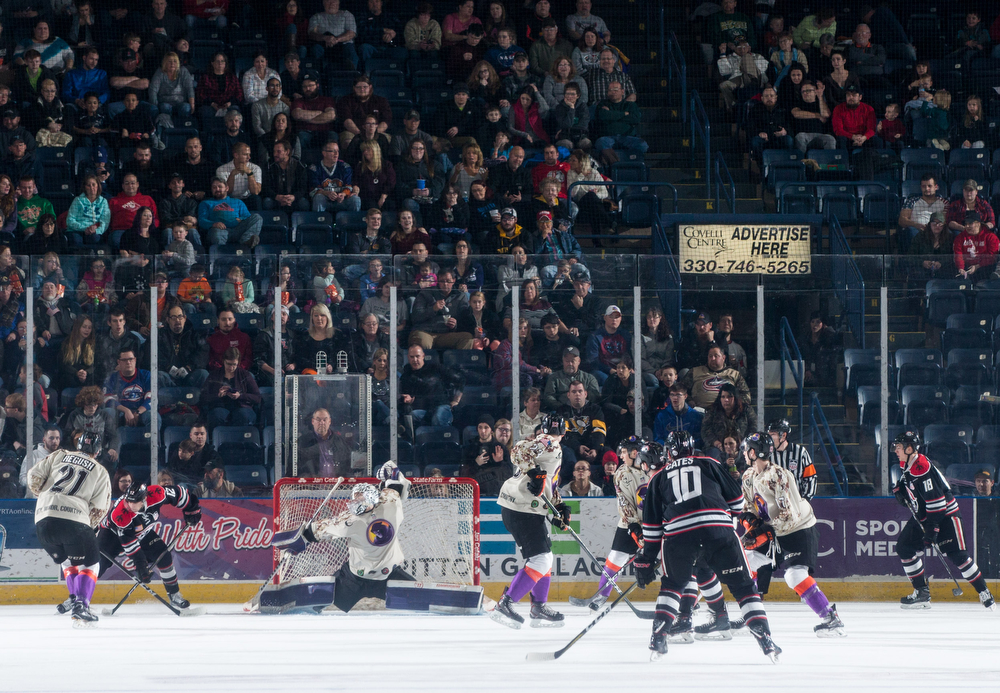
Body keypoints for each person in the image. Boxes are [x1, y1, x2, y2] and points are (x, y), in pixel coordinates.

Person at [739, 432, 845, 635]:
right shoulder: (748, 476)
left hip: (799, 530)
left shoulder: (778, 475)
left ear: (753, 452)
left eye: (746, 450)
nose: (744, 453)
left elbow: (789, 516)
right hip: (774, 530)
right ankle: (752, 615)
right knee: (747, 562)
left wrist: (762, 531)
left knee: (794, 576)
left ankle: (831, 618)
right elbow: (748, 507)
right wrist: (749, 520)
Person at [273, 462, 416, 612]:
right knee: (418, 597)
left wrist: (297, 539)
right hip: (370, 577)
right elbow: (395, 482)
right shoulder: (391, 504)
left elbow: (316, 531)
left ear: (372, 497)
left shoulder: (349, 521)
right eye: (355, 498)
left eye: (360, 497)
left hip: (361, 578)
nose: (356, 501)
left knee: (317, 601)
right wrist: (389, 472)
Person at [891, 431, 995, 610]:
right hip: (925, 516)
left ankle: (984, 591)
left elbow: (937, 502)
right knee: (904, 547)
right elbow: (912, 486)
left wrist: (932, 530)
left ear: (909, 449)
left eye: (899, 447)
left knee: (959, 556)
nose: (896, 450)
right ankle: (922, 593)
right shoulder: (908, 463)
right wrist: (901, 489)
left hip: (946, 516)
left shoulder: (921, 468)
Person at [490, 414, 568, 628]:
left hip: (519, 507)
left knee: (546, 558)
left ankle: (538, 606)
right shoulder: (551, 442)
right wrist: (535, 474)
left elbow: (547, 481)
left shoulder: (544, 444)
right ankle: (505, 604)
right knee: (541, 560)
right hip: (523, 509)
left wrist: (559, 506)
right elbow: (516, 451)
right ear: (564, 432)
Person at [28, 431, 111, 625]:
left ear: (78, 445)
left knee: (67, 562)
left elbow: (33, 476)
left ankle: (75, 598)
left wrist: (45, 497)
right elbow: (99, 509)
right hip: (74, 521)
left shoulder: (60, 455)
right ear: (98, 451)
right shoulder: (100, 471)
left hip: (43, 520)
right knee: (91, 563)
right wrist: (88, 528)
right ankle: (81, 605)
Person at [97, 478, 201, 611]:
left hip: (141, 532)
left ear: (144, 499)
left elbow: (180, 494)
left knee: (164, 556)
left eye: (134, 502)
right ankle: (78, 598)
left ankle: (174, 595)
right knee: (99, 564)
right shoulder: (121, 514)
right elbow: (130, 545)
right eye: (128, 500)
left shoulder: (157, 493)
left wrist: (192, 509)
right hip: (111, 534)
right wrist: (141, 567)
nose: (129, 505)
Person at [583, 436, 648, 608]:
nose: (621, 456)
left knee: (674, 558)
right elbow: (624, 502)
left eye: (625, 452)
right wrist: (634, 527)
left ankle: (687, 597)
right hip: (630, 523)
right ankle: (601, 595)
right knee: (616, 556)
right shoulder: (621, 473)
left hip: (655, 524)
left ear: (635, 453)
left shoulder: (653, 468)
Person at [399, 344, 464, 431]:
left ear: (423, 356)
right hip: (424, 410)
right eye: (412, 357)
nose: (415, 360)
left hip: (441, 405)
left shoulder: (435, 368)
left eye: (417, 356)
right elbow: (405, 395)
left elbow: (460, 379)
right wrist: (407, 398)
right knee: (411, 416)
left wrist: (456, 400)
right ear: (408, 357)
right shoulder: (406, 376)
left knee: (437, 418)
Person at [201, 346, 261, 428]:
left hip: (241, 406)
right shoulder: (214, 375)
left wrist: (240, 396)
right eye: (228, 364)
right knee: (217, 415)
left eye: (234, 365)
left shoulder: (245, 375)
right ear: (223, 361)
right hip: (220, 406)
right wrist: (217, 395)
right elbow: (203, 397)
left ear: (238, 363)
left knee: (243, 416)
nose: (231, 368)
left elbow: (257, 398)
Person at [558, 380, 607, 476]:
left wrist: (595, 449)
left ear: (585, 394)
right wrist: (578, 447)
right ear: (568, 395)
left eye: (580, 391)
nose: (577, 394)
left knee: (608, 454)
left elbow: (599, 430)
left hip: (592, 446)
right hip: (572, 447)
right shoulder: (562, 411)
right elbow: (565, 433)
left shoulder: (595, 409)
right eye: (574, 392)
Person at [197, 177, 263, 247]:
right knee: (215, 233)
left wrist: (241, 219)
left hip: (238, 230)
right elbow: (202, 221)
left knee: (257, 217)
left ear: (227, 188)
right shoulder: (205, 203)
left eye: (220, 186)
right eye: (214, 187)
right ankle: (220, 253)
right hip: (220, 231)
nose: (217, 189)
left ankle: (246, 241)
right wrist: (213, 224)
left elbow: (247, 216)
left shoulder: (238, 202)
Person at [765, 418, 817, 501]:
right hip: (774, 504)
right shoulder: (767, 454)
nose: (769, 438)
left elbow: (811, 478)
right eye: (769, 434)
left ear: (783, 435)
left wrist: (804, 501)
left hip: (796, 503)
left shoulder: (800, 452)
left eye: (773, 434)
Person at [898, 174, 947, 252]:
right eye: (924, 186)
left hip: (936, 230)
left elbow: (945, 220)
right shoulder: (912, 201)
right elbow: (902, 220)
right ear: (921, 187)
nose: (926, 189)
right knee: (910, 231)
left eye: (929, 186)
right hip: (917, 230)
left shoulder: (944, 203)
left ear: (936, 187)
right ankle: (911, 262)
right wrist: (916, 225)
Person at [717, 38, 768, 112]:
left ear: (749, 47)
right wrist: (722, 53)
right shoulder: (730, 57)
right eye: (739, 47)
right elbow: (724, 72)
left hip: (753, 79)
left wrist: (747, 60)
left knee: (746, 57)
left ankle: (751, 85)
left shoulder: (757, 56)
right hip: (738, 80)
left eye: (744, 47)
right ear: (734, 48)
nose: (742, 50)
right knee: (723, 85)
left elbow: (763, 68)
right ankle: (732, 107)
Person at [584, 305, 630, 387]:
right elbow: (593, 361)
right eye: (611, 316)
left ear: (621, 319)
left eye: (616, 317)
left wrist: (628, 369)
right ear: (605, 318)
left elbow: (629, 355)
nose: (614, 320)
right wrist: (610, 370)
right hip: (603, 371)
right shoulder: (595, 336)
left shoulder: (626, 335)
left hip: (623, 369)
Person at [748, 86, 791, 161]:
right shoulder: (755, 109)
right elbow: (750, 126)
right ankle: (762, 167)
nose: (769, 98)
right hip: (763, 138)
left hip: (779, 137)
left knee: (788, 140)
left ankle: (784, 165)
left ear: (776, 97)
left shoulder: (783, 109)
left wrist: (785, 131)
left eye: (771, 96)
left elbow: (790, 124)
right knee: (755, 142)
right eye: (766, 96)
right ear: (762, 98)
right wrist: (759, 133)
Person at [654, 382, 703, 448]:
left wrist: (687, 445)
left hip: (690, 451)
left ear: (685, 396)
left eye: (678, 395)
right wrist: (669, 446)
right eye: (672, 395)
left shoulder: (695, 415)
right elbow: (658, 438)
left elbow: (699, 438)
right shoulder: (661, 415)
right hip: (668, 452)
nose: (675, 398)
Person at [831, 85, 881, 151]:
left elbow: (871, 129)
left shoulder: (868, 109)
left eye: (854, 95)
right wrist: (853, 137)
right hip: (847, 138)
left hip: (864, 138)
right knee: (841, 139)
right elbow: (838, 130)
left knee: (876, 140)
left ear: (860, 97)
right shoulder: (838, 109)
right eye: (848, 95)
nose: (851, 97)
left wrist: (864, 138)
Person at [953, 211, 998, 282]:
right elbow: (958, 254)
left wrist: (978, 266)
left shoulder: (991, 237)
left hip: (985, 267)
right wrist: (961, 268)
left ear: (978, 224)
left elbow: (992, 256)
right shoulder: (960, 238)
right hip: (967, 267)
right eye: (966, 224)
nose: (967, 226)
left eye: (970, 223)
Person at [791, 81, 834, 152]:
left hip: (820, 135)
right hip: (804, 135)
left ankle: (830, 162)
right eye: (803, 91)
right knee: (800, 137)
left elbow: (825, 114)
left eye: (808, 91)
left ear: (815, 92)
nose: (805, 93)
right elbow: (796, 114)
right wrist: (817, 115)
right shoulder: (798, 104)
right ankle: (802, 161)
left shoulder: (821, 103)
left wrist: (820, 97)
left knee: (830, 139)